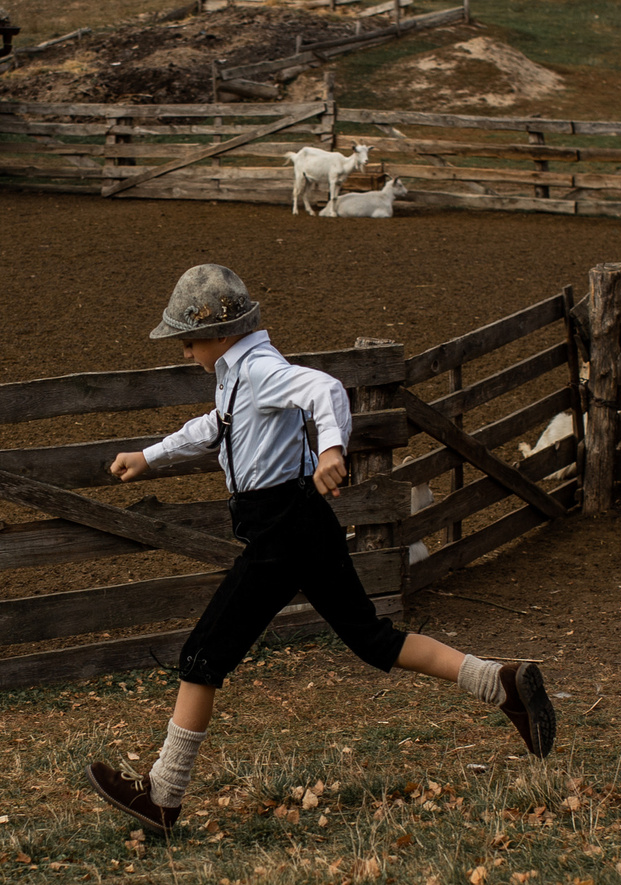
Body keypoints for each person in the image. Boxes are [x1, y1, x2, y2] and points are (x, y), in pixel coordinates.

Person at [85, 263, 556, 834]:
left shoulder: (259, 368)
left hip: (281, 531)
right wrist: (150, 455)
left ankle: (162, 796)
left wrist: (332, 449)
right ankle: (500, 683)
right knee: (373, 639)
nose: (185, 351)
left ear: (220, 331)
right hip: (304, 526)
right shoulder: (238, 372)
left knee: (202, 655)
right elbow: (215, 426)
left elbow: (325, 389)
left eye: (187, 339)